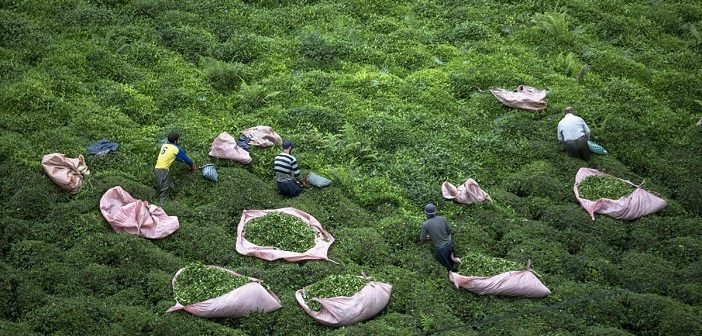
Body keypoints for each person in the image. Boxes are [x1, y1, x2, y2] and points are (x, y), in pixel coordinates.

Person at [154, 132, 198, 203]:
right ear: (175, 141)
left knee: (167, 185)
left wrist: (183, 161)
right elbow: (186, 159)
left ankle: (170, 201)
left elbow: (173, 157)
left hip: (158, 169)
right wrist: (192, 165)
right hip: (162, 170)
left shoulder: (164, 146)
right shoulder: (176, 148)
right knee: (164, 192)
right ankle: (163, 208)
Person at [420, 203, 458, 272]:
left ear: (426, 213)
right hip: (449, 245)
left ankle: (453, 277)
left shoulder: (425, 224)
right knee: (453, 262)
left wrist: (430, 237)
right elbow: (449, 231)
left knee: (449, 268)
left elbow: (422, 239)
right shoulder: (442, 219)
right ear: (435, 211)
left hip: (440, 250)